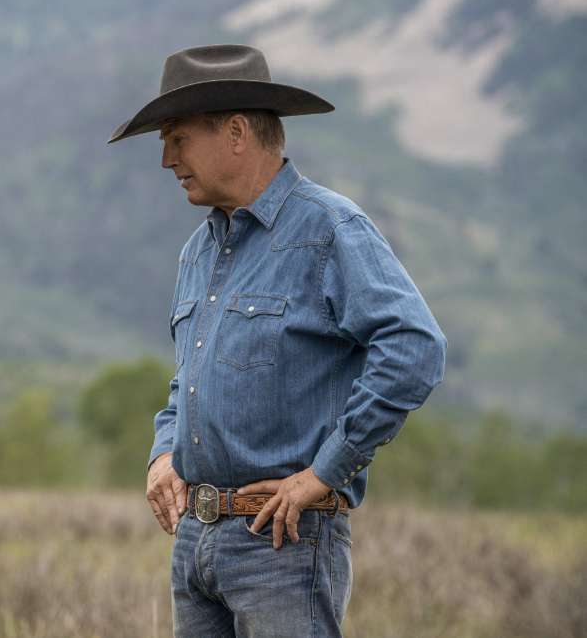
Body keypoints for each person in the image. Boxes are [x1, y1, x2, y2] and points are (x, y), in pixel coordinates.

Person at [108, 44, 447, 637]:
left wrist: (326, 471)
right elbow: (186, 379)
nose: (166, 160)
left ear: (236, 132)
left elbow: (414, 347)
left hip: (284, 542)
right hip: (196, 540)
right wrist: (164, 453)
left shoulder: (328, 229)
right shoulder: (199, 252)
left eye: (177, 138)